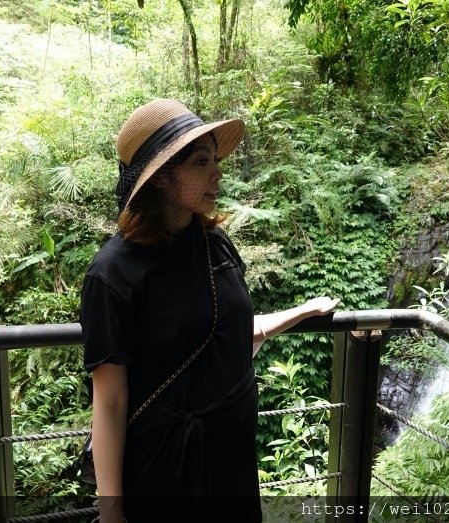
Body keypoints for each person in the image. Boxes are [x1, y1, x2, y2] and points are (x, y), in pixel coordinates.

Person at [79, 99, 339, 522]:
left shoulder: (215, 246)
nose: (218, 173)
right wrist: (112, 513)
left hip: (229, 452)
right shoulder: (113, 274)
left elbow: (227, 335)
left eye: (214, 159)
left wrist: (302, 311)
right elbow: (109, 400)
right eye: (201, 162)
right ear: (160, 177)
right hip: (163, 466)